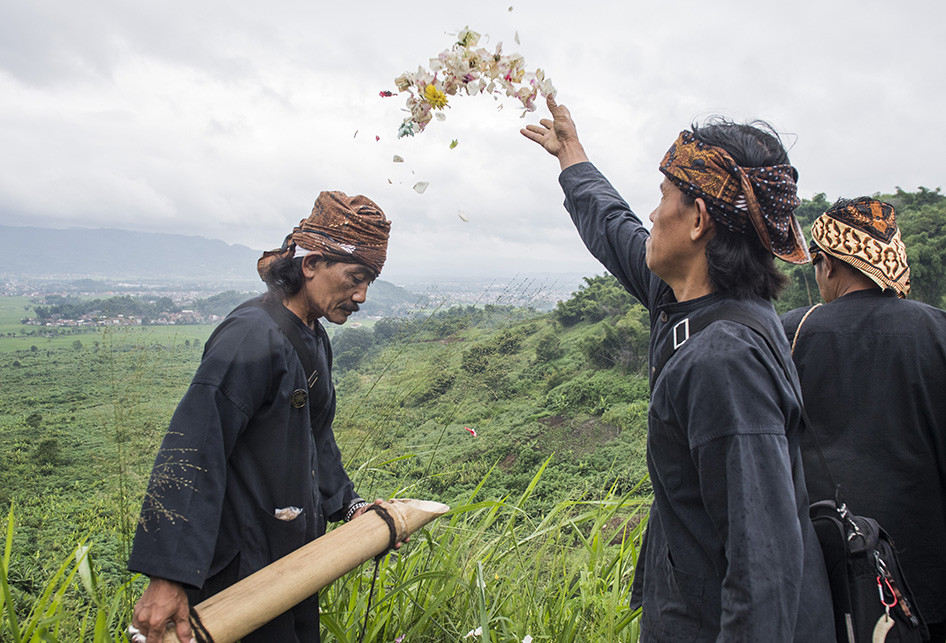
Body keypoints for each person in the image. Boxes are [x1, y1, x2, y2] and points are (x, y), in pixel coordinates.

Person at [521, 97, 834, 640]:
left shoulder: (726, 360)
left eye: (663, 196)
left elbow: (763, 569)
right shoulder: (691, 304)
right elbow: (617, 231)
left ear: (697, 219)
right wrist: (572, 158)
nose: (652, 213)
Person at [127, 191, 392, 643]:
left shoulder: (313, 335)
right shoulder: (250, 336)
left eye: (369, 281)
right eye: (354, 277)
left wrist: (350, 506)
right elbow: (195, 449)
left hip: (293, 564)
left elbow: (315, 439)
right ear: (310, 264)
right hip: (241, 569)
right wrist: (167, 576)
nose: (361, 295)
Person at [781, 197, 946, 640]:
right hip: (928, 587)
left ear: (828, 266)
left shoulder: (788, 335)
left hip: (825, 581)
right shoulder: (937, 331)